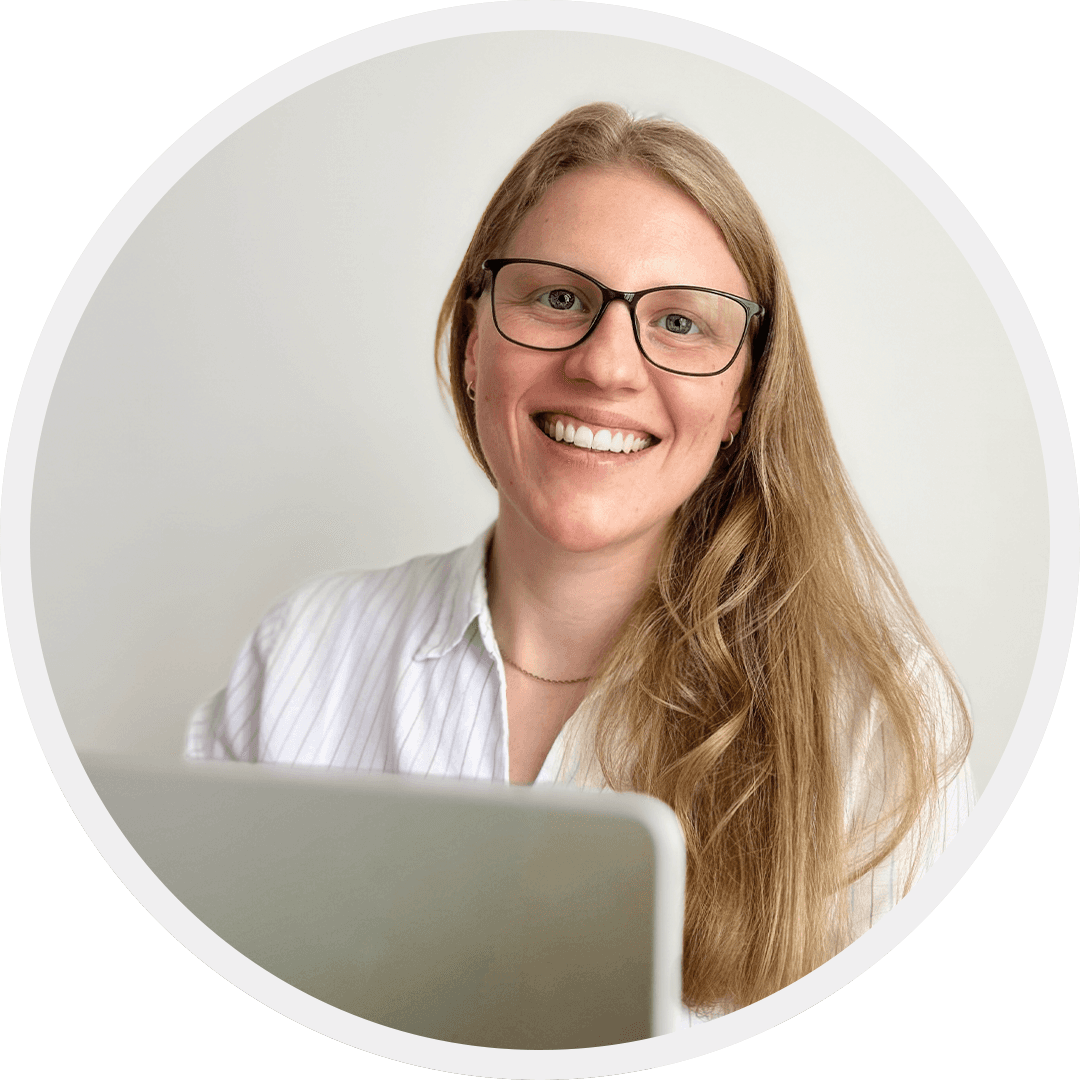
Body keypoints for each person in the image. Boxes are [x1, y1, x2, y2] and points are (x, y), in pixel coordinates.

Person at [187, 103, 974, 1017]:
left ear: (743, 398)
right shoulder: (301, 652)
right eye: (559, 298)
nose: (606, 366)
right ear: (474, 344)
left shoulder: (876, 722)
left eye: (679, 322)